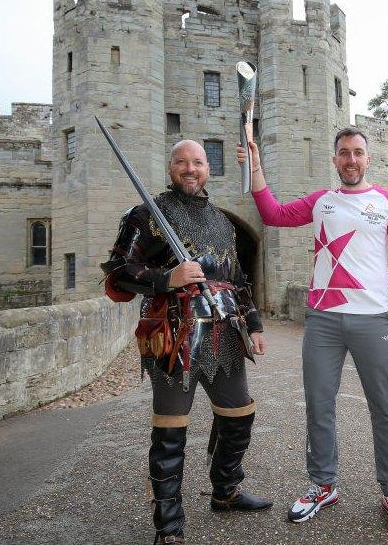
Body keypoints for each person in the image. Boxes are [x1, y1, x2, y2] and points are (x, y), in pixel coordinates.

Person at [237, 128, 388, 534]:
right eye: (343, 153)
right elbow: (274, 215)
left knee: (385, 408)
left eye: (358, 153)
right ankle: (323, 485)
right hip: (322, 320)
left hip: (372, 319)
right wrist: (255, 165)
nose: (351, 160)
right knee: (320, 405)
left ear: (368, 159)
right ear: (335, 159)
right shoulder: (322, 201)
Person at [102, 140, 273, 545]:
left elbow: (238, 280)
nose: (190, 169)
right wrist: (167, 278)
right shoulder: (146, 215)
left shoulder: (223, 221)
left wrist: (255, 324)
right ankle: (169, 527)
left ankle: (225, 490)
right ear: (171, 167)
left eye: (197, 162)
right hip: (173, 335)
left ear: (207, 169)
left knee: (239, 416)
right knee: (170, 430)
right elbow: (119, 271)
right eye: (182, 162)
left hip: (224, 332)